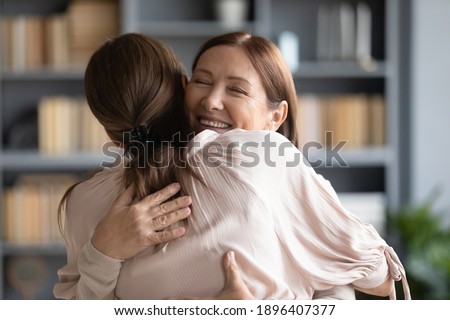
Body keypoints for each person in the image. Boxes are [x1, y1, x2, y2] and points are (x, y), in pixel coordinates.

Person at [54, 32, 410, 300]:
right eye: (202, 81)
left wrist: (102, 254)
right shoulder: (262, 158)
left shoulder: (82, 203)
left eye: (237, 90)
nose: (211, 100)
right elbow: (380, 278)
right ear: (181, 89)